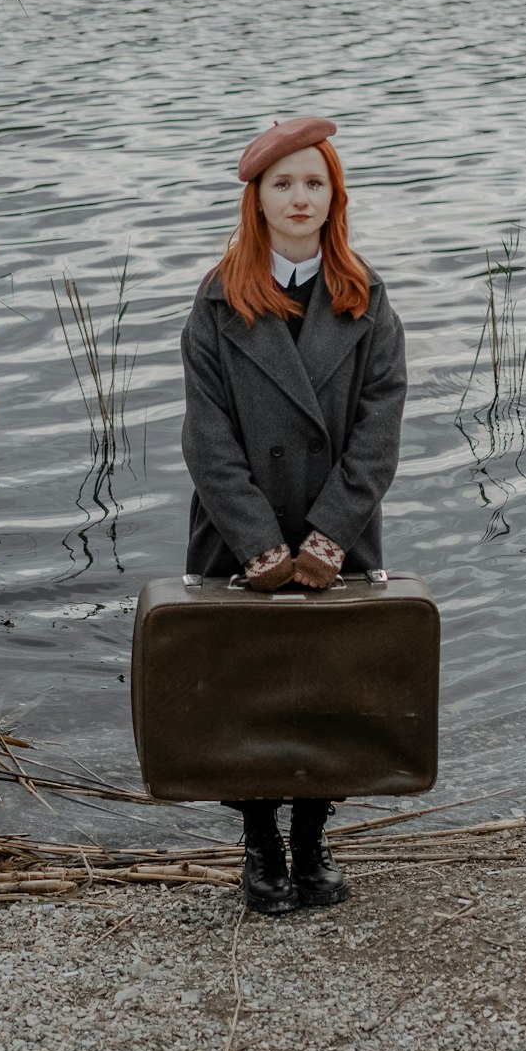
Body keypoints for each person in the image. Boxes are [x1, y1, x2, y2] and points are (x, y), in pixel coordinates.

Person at [180, 117, 407, 915]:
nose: (299, 196)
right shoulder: (217, 302)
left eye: (314, 182)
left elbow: (381, 429)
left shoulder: (366, 297)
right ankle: (258, 849)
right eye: (283, 183)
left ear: (333, 194)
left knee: (329, 689)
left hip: (336, 532)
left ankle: (312, 844)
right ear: (258, 198)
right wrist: (259, 546)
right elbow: (207, 439)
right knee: (248, 691)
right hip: (239, 532)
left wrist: (326, 537)